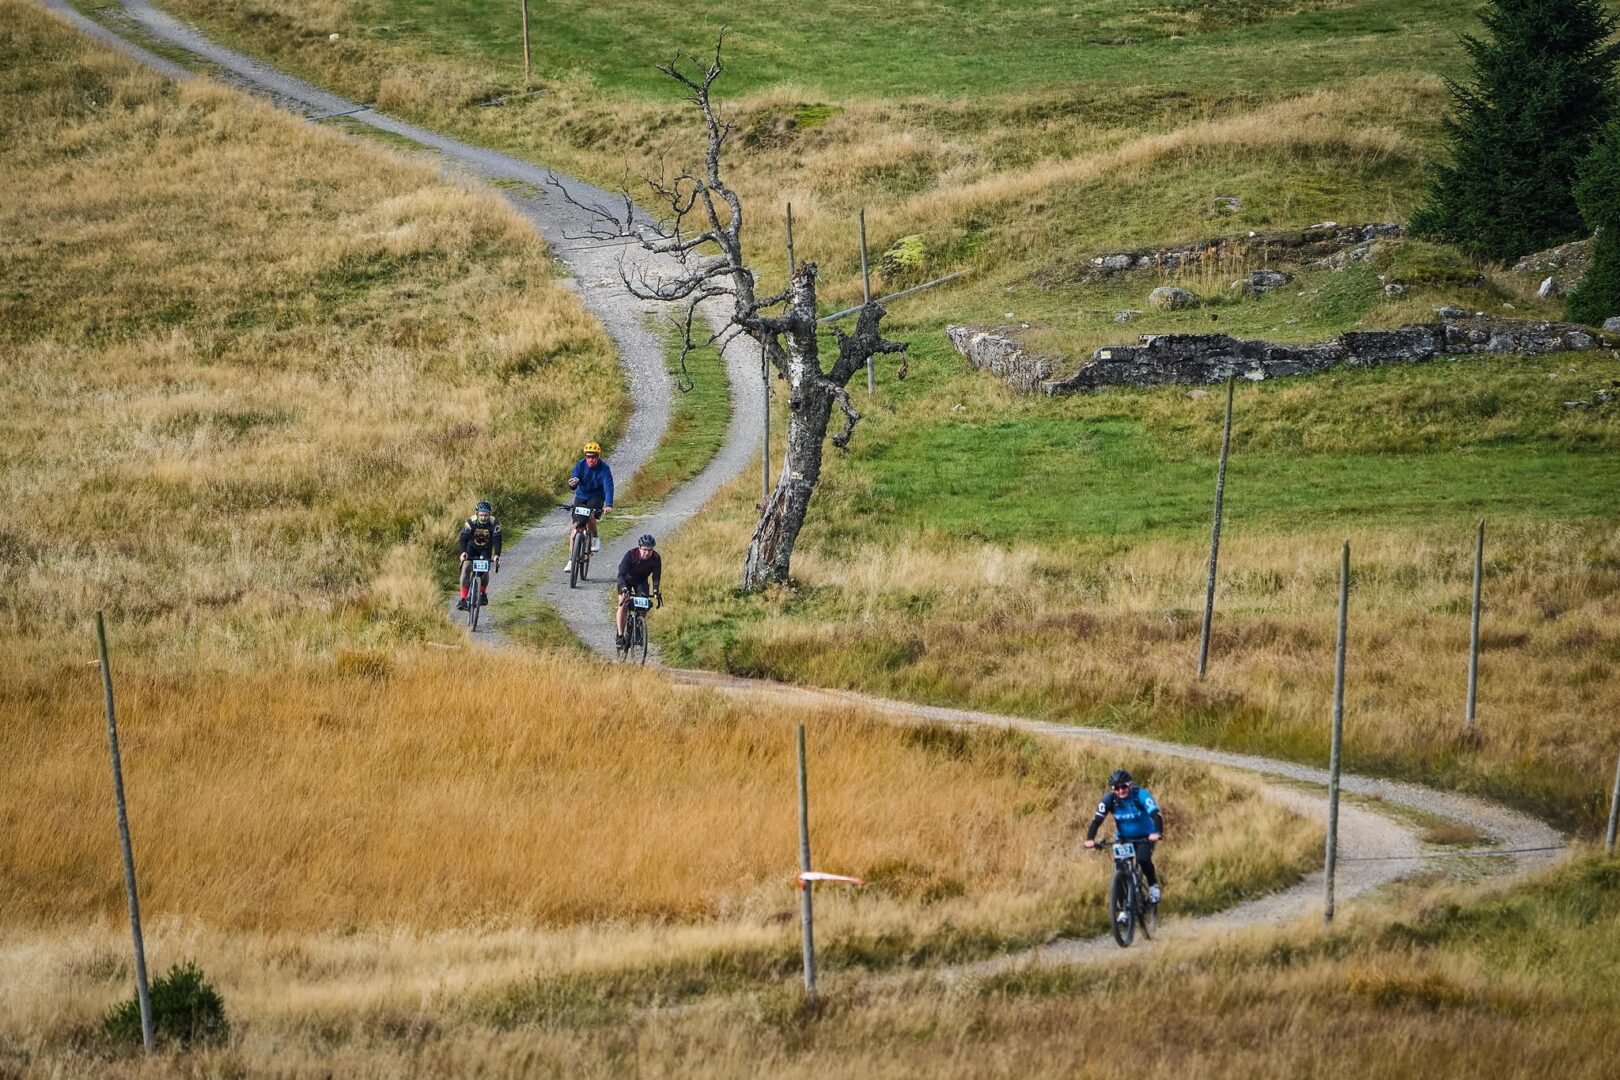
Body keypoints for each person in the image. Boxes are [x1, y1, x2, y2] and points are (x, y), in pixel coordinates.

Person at [1083, 769, 1164, 905]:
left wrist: (1157, 832)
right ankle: (1123, 912)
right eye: (1116, 788)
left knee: (1143, 859)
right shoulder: (1109, 800)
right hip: (1123, 839)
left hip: (1145, 837)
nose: (1120, 791)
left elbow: (1156, 815)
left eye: (1123, 787)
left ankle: (1152, 886)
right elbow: (1097, 820)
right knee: (1119, 873)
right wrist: (1090, 839)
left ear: (1130, 785)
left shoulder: (1141, 795)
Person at [565, 441, 613, 572]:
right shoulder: (580, 465)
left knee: (590, 514)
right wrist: (572, 483)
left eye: (593, 457)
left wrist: (608, 504)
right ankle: (571, 558)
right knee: (575, 527)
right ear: (585, 457)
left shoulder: (604, 469)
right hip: (581, 496)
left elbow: (608, 487)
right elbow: (573, 481)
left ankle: (595, 537)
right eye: (588, 456)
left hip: (597, 496)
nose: (590, 459)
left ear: (598, 456)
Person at [615, 534, 662, 650]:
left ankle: (638, 626)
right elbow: (621, 574)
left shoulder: (656, 558)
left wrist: (656, 590)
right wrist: (624, 589)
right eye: (645, 550)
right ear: (640, 548)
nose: (647, 553)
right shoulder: (631, 555)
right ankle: (620, 636)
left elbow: (656, 577)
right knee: (623, 603)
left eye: (650, 550)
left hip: (641, 581)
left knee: (644, 605)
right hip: (626, 580)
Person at [456, 500, 502, 610]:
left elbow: (497, 541)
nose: (483, 518)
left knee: (485, 570)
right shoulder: (470, 522)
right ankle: (463, 599)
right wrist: (463, 553)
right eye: (481, 515)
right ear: (477, 514)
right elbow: (463, 539)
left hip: (486, 548)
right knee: (466, 567)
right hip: (471, 548)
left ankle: (483, 594)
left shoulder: (494, 523)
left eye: (486, 515)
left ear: (489, 514)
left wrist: (496, 555)